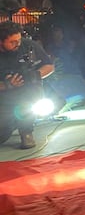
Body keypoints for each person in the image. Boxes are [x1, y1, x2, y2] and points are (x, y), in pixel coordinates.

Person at [0, 21, 54, 149]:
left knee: (31, 94)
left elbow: (50, 66)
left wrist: (35, 75)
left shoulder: (28, 45)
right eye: (12, 42)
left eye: (18, 40)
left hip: (26, 93)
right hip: (3, 96)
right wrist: (6, 85)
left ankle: (26, 131)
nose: (17, 44)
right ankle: (10, 125)